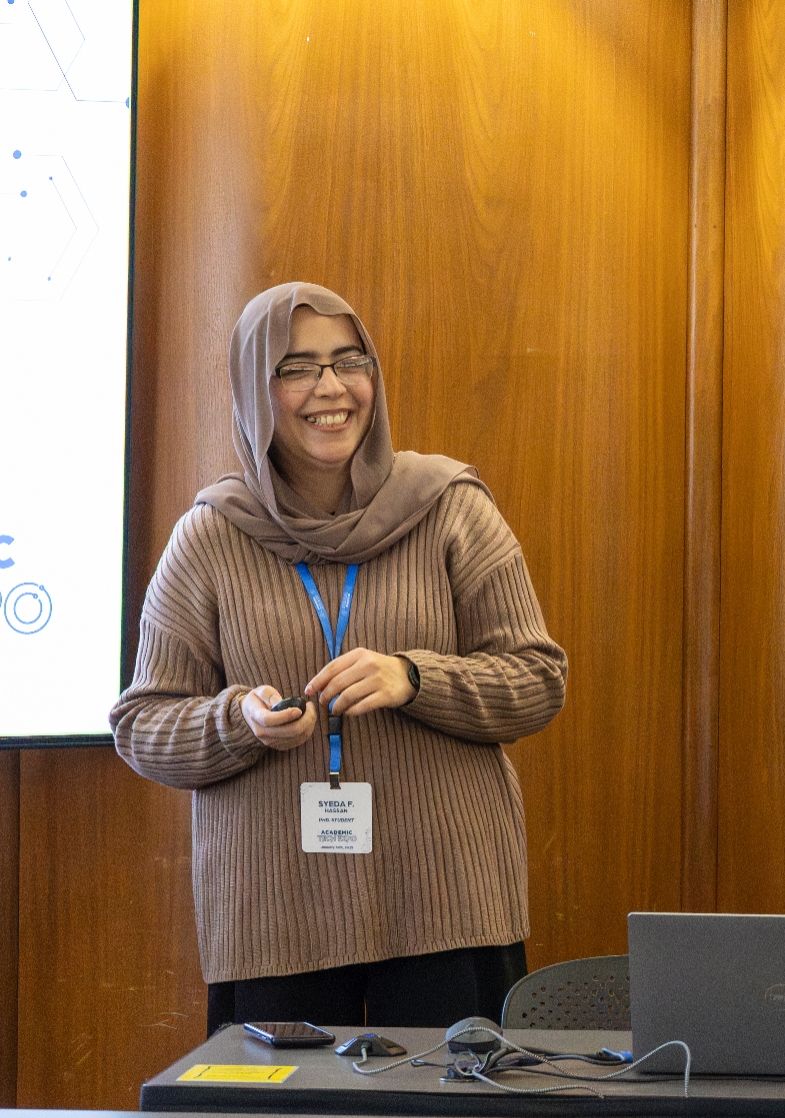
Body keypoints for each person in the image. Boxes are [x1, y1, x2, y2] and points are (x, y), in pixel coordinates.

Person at [111, 282, 567, 1035]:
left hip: (444, 905)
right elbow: (141, 724)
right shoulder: (209, 537)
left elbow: (537, 679)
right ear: (257, 393)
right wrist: (238, 720)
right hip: (275, 917)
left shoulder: (451, 505)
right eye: (296, 368)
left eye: (348, 360)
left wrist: (414, 677)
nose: (330, 388)